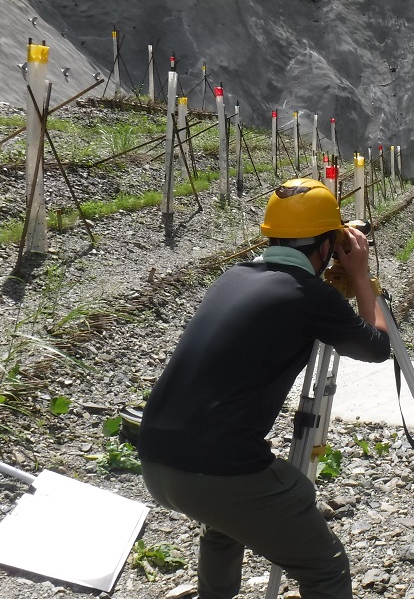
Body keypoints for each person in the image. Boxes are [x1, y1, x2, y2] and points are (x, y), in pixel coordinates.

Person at [138, 178, 391, 599]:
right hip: (216, 470)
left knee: (225, 525)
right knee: (325, 568)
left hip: (158, 460)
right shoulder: (307, 294)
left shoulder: (233, 276)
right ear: (327, 245)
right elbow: (378, 346)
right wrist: (361, 277)